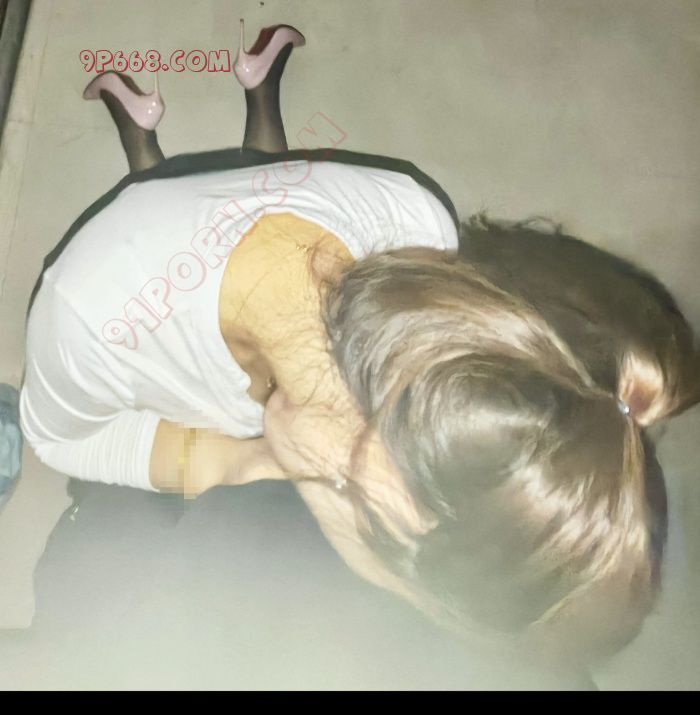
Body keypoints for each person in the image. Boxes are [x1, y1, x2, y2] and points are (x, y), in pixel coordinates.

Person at [20, 20, 700, 674]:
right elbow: (61, 442)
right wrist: (230, 461)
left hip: (205, 245)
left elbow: (282, 203)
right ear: (354, 489)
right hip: (136, 293)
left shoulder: (421, 219)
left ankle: (185, 119)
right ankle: (178, 127)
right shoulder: (87, 317)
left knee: (257, 179)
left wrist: (262, 456)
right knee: (195, 193)